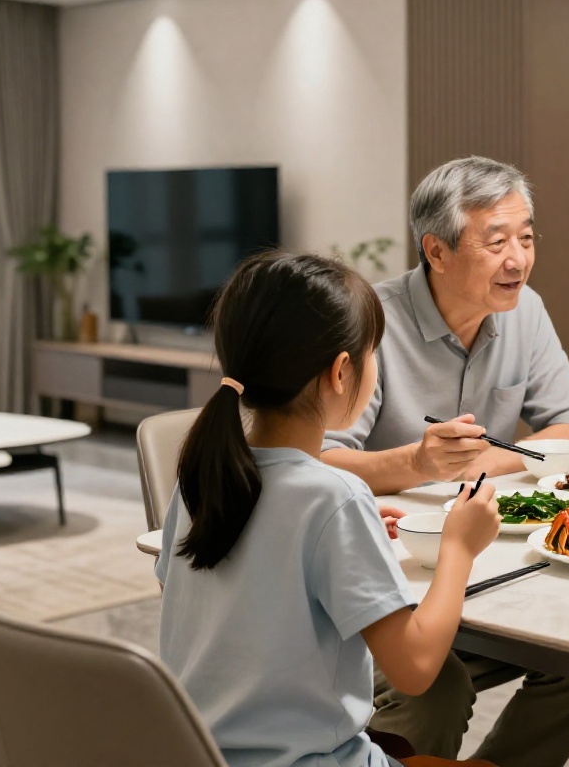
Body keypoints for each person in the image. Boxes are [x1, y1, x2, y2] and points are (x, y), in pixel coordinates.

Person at [154, 251, 502, 767]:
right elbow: (416, 668)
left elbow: (221, 595)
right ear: (342, 372)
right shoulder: (333, 497)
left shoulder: (203, 476)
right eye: (373, 352)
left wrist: (344, 547)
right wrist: (458, 546)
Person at [322, 156, 569, 767]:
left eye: (526, 238)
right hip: (387, 580)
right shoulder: (369, 320)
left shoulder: (523, 309)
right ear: (437, 250)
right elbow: (320, 463)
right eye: (496, 241)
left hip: (485, 562)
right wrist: (418, 463)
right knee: (432, 689)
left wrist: (479, 467)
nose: (518, 259)